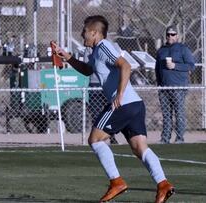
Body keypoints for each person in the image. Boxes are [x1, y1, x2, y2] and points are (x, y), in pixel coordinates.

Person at [54, 15, 174, 203]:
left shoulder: (104, 47)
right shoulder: (96, 52)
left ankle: (116, 182)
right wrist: (68, 57)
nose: (81, 34)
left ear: (94, 33)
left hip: (123, 104)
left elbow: (125, 66)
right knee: (140, 148)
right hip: (135, 105)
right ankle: (163, 185)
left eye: (84, 31)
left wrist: (118, 94)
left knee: (95, 139)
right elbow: (87, 70)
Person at [155, 25, 195, 144]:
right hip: (164, 87)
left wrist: (175, 66)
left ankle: (179, 138)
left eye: (173, 34)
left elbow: (191, 66)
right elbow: (157, 68)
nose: (170, 36)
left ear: (177, 36)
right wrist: (159, 83)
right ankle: (165, 138)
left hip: (178, 87)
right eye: (168, 34)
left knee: (179, 113)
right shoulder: (161, 50)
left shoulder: (183, 49)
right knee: (166, 115)